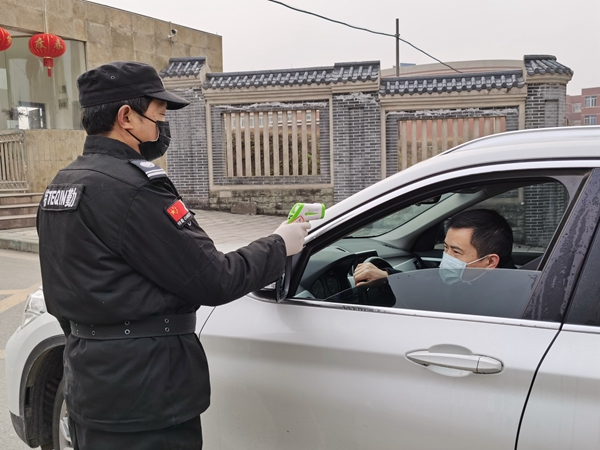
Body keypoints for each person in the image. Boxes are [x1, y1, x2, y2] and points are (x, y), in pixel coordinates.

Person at [36, 61, 310, 449]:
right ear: (126, 117)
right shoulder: (135, 188)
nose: (162, 129)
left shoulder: (62, 186)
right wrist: (280, 244)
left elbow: (62, 296)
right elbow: (214, 278)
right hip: (147, 395)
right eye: (159, 117)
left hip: (89, 385)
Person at [353, 208, 514, 286]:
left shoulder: (504, 301)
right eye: (445, 247)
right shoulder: (472, 280)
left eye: (456, 251)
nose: (447, 257)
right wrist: (387, 276)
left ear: (490, 262)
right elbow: (431, 282)